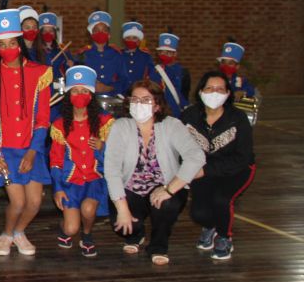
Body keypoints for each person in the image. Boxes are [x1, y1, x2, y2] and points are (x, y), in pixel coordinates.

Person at [0, 8, 52, 256]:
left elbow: (43, 119)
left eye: (12, 43)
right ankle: (7, 234)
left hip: (32, 149)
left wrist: (33, 151)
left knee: (35, 202)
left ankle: (19, 232)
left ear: (20, 43)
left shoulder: (39, 73)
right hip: (3, 151)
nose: (7, 48)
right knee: (17, 202)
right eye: (2, 44)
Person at [104, 79, 206, 265]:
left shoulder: (172, 125)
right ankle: (137, 234)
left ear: (157, 105)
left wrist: (169, 189)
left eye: (146, 100)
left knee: (166, 204)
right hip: (131, 188)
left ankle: (159, 246)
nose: (139, 104)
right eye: (135, 99)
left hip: (165, 186)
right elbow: (112, 169)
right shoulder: (120, 126)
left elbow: (196, 157)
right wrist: (122, 209)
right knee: (123, 225)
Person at [181, 71, 255, 260]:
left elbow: (243, 157)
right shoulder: (189, 116)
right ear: (200, 91)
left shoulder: (238, 118)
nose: (214, 93)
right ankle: (210, 226)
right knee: (198, 213)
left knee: (221, 200)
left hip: (236, 169)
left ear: (228, 93)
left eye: (220, 89)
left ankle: (224, 237)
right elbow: (179, 146)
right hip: (201, 169)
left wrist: (205, 170)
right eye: (209, 88)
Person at [49, 66, 114, 258]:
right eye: (75, 91)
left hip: (94, 179)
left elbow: (116, 156)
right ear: (68, 94)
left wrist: (103, 146)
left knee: (88, 209)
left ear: (91, 95)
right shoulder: (60, 125)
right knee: (70, 228)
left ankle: (87, 234)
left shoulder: (104, 122)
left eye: (84, 91)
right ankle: (65, 228)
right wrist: (58, 188)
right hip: (70, 182)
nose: (79, 95)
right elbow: (55, 159)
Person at [75, 11, 127, 96]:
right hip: (89, 98)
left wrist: (109, 88)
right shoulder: (82, 55)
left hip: (112, 97)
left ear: (109, 35)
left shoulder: (116, 55)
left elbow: (124, 80)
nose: (100, 33)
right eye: (96, 30)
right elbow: (77, 79)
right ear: (91, 34)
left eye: (104, 30)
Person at [149, 32, 190, 117]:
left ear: (175, 54)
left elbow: (184, 94)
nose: (164, 55)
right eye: (161, 52)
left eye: (168, 52)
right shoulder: (155, 70)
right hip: (157, 110)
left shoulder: (182, 72)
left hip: (175, 111)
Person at [120, 20, 153, 91]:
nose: (131, 40)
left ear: (139, 41)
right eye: (128, 38)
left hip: (139, 90)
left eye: (134, 38)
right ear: (124, 40)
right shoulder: (119, 54)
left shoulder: (145, 56)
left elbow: (150, 75)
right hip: (121, 91)